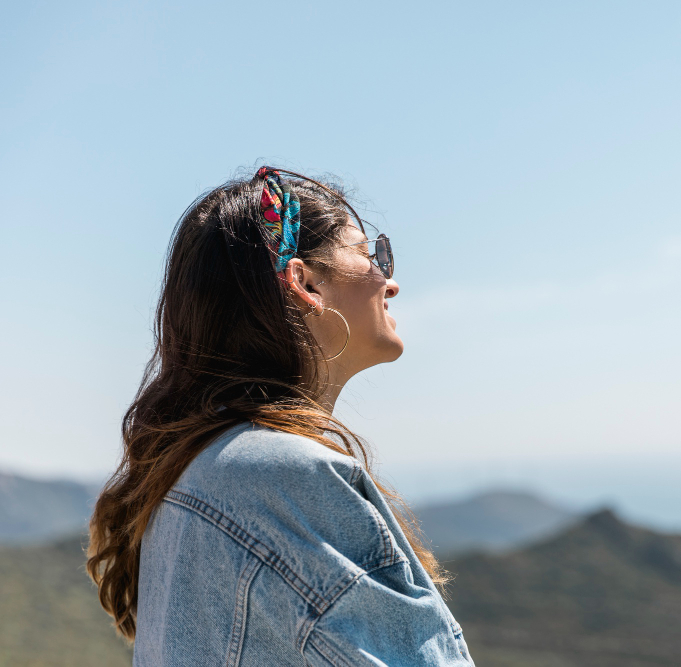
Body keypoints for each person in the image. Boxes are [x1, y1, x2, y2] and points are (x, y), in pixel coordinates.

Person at [87, 167, 475, 666]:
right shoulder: (281, 477)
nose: (390, 282)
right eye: (372, 254)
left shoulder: (190, 471)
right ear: (306, 283)